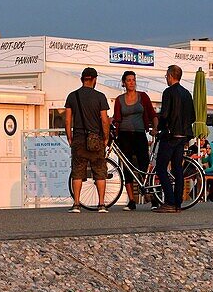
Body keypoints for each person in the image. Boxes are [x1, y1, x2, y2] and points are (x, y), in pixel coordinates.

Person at [65, 67, 111, 213]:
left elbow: (67, 121)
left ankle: (77, 204)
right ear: (94, 79)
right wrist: (106, 137)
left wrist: (70, 138)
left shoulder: (72, 96)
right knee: (99, 169)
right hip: (95, 138)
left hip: (78, 138)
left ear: (82, 79)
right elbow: (104, 120)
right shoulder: (100, 96)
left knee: (77, 170)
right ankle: (101, 204)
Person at [111, 70, 157, 210]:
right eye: (129, 80)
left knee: (144, 165)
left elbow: (152, 114)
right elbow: (117, 118)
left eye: (133, 80)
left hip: (139, 134)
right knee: (127, 167)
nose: (132, 82)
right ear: (124, 83)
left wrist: (154, 128)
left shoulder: (143, 97)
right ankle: (131, 200)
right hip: (124, 135)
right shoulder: (119, 100)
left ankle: (150, 196)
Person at [154, 64, 195, 213]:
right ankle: (177, 202)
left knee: (161, 168)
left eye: (166, 76)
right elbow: (192, 116)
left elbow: (165, 114)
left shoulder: (168, 92)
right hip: (183, 135)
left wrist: (159, 128)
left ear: (171, 76)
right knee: (178, 169)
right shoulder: (186, 93)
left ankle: (169, 201)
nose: (166, 78)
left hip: (170, 135)